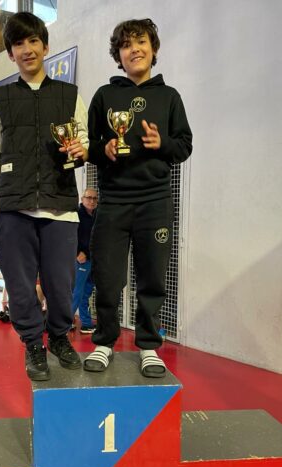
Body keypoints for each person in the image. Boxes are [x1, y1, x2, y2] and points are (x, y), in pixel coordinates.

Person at [0, 12, 89, 381]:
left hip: (60, 208)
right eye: (18, 44)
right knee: (20, 287)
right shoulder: (1, 99)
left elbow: (84, 146)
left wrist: (81, 151)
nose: (27, 49)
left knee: (61, 285)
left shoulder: (69, 95)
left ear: (45, 46)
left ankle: (58, 337)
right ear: (10, 54)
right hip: (14, 209)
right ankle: (32, 343)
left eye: (33, 41)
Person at [85, 18, 193, 377]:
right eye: (126, 45)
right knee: (107, 277)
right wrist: (104, 149)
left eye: (141, 42)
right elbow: (89, 146)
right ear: (118, 55)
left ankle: (148, 346)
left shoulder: (170, 97)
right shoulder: (104, 96)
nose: (135, 49)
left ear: (154, 48)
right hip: (113, 201)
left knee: (153, 278)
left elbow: (184, 146)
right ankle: (104, 342)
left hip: (155, 202)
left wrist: (162, 143)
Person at [72, 188, 98, 334]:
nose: (92, 201)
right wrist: (77, 253)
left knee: (86, 293)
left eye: (94, 198)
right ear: (82, 199)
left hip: (93, 260)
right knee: (76, 293)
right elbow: (69, 236)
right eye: (89, 198)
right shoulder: (76, 214)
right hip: (81, 261)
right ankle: (62, 326)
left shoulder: (98, 215)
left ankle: (86, 324)